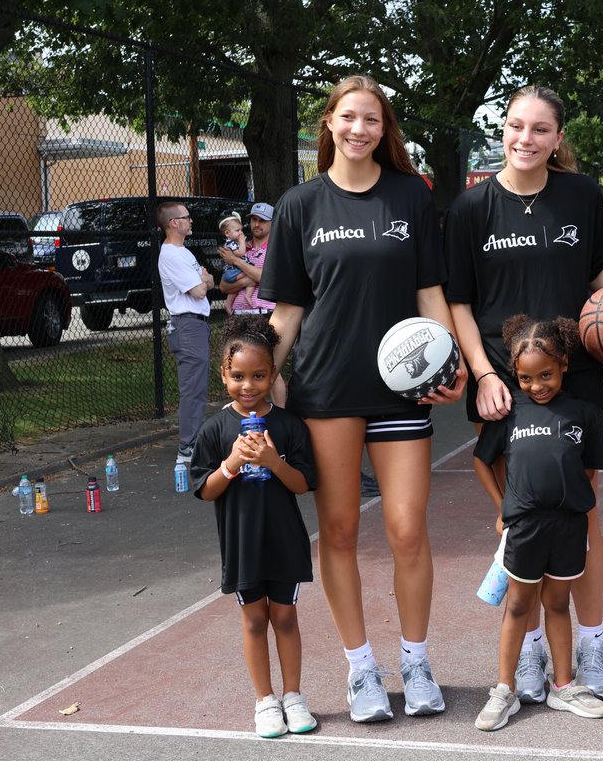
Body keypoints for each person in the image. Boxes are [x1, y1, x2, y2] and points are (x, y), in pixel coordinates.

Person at [444, 84, 603, 702]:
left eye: (541, 129)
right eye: (516, 126)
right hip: (505, 383)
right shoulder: (471, 208)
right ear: (502, 128)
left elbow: (602, 272)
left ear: (558, 138)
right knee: (519, 519)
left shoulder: (584, 197)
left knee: (581, 518)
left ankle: (589, 645)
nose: (526, 139)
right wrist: (485, 373)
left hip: (574, 377)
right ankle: (535, 650)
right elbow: (458, 301)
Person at [260, 75, 467, 723]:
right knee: (342, 532)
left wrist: (456, 360)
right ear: (329, 124)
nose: (359, 128)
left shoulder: (410, 195)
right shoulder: (299, 205)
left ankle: (415, 659)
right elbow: (289, 309)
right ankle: (360, 670)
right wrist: (258, 377)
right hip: (325, 389)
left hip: (403, 390)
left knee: (407, 528)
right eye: (348, 117)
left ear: (385, 129)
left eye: (371, 119)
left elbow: (431, 292)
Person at [472, 315, 603, 731]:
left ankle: (563, 686)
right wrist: (502, 507)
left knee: (557, 603)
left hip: (569, 527)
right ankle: (503, 689)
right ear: (515, 376)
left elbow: (589, 469)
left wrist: (566, 497)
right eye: (527, 378)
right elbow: (482, 462)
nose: (537, 385)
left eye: (546, 374)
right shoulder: (509, 413)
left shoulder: (584, 412)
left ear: (564, 364)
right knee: (517, 604)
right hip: (525, 528)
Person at [191, 315, 318, 738]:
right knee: (253, 620)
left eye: (259, 376)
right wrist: (232, 464)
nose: (249, 386)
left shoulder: (289, 425)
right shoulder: (214, 429)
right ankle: (265, 701)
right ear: (223, 375)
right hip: (243, 544)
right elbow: (205, 491)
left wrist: (272, 462)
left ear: (272, 374)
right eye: (238, 376)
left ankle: (293, 696)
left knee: (285, 616)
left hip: (284, 542)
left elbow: (303, 484)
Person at [157, 201, 214, 466]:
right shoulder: (170, 254)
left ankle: (193, 444)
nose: (191, 221)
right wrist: (203, 281)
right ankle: (186, 449)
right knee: (192, 389)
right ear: (174, 223)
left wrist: (204, 280)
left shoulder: (185, 252)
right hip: (187, 325)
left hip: (196, 324)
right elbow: (201, 290)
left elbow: (210, 280)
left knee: (198, 387)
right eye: (186, 217)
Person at [220, 202, 286, 406]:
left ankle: (281, 414)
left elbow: (271, 279)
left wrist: (237, 263)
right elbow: (223, 286)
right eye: (254, 219)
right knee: (239, 366)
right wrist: (253, 278)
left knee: (270, 365)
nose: (257, 224)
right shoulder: (241, 247)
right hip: (239, 313)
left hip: (265, 312)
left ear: (272, 224)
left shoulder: (277, 249)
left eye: (263, 221)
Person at [218, 211, 255, 315]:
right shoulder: (231, 243)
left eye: (241, 230)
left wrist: (243, 243)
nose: (241, 233)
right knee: (252, 277)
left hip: (232, 272)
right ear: (227, 233)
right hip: (234, 271)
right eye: (237, 230)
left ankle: (229, 305)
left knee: (234, 290)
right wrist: (242, 242)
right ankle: (247, 295)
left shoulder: (233, 242)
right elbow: (241, 253)